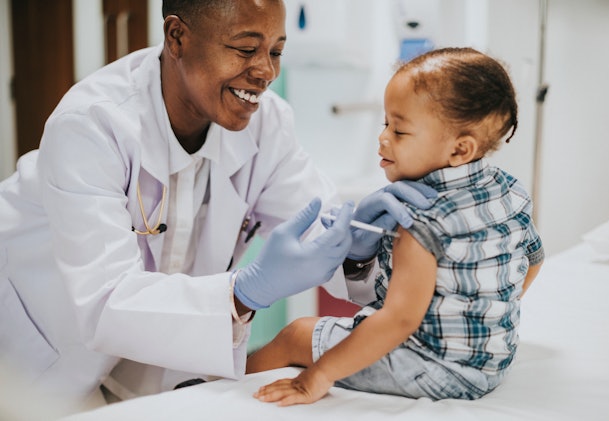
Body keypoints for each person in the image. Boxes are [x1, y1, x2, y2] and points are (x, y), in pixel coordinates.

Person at [0, 0, 435, 414]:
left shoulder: (267, 125)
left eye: (276, 51)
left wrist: (355, 254)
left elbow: (316, 224)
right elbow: (106, 302)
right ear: (177, 37)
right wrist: (242, 294)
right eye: (246, 49)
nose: (265, 71)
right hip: (34, 350)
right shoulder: (93, 125)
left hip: (149, 361)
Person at [246, 47, 545, 406]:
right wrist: (483, 311)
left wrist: (316, 376)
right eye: (386, 123)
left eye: (399, 130)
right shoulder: (509, 190)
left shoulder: (420, 221)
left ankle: (216, 386)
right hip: (492, 363)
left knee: (296, 334)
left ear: (460, 149)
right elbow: (534, 260)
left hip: (433, 370)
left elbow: (398, 321)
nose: (383, 137)